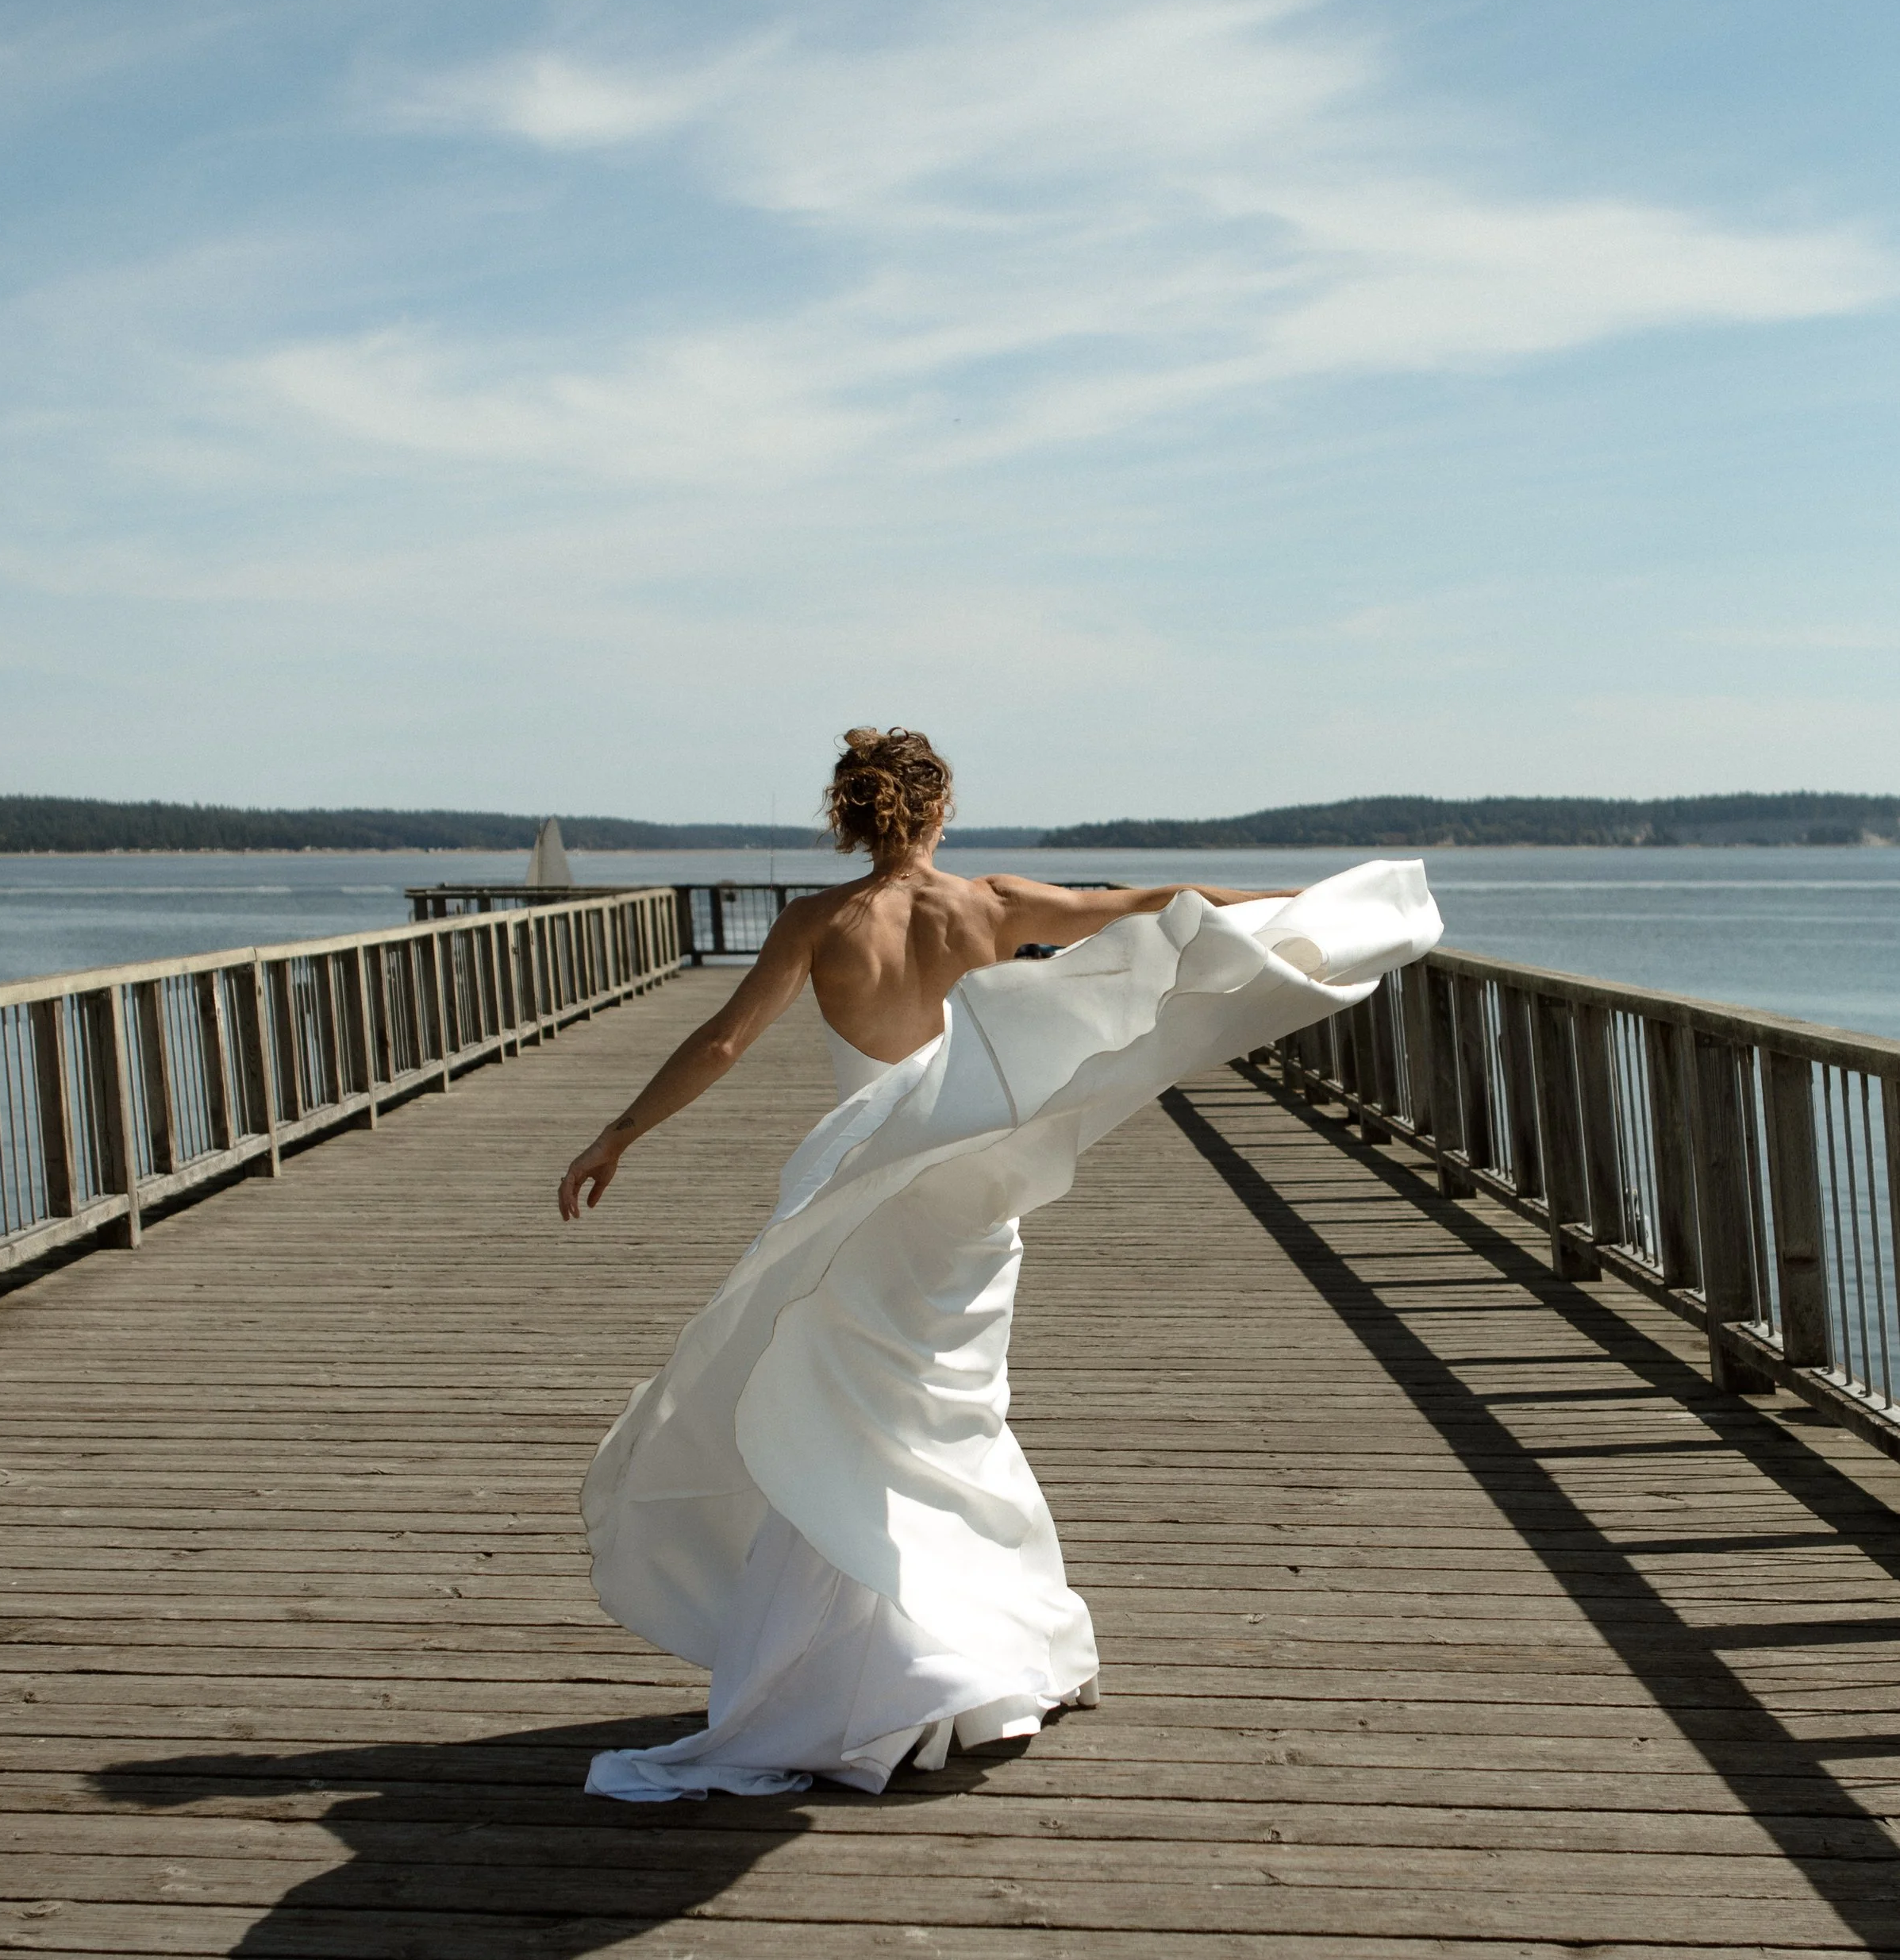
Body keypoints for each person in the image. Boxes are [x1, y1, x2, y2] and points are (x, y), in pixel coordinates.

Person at [563, 726, 1440, 1802]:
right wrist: (1297, 906)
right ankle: (950, 1658)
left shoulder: (814, 923)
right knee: (946, 1419)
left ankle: (865, 1664)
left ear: (851, 817)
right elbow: (1160, 905)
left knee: (854, 1420)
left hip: (863, 1195)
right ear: (938, 812)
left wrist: (619, 1130)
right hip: (970, 1195)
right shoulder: (990, 904)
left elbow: (722, 1042)